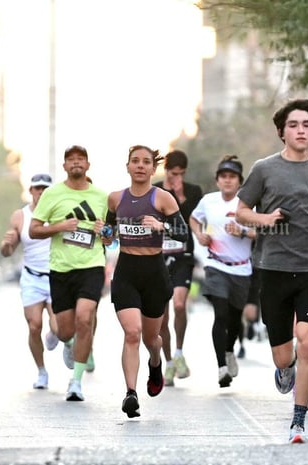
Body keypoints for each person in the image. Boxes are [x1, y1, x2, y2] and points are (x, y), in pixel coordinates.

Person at [236, 98, 308, 444]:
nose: (301, 130)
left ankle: (298, 421)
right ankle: (283, 370)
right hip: (273, 270)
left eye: (306, 125)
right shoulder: (264, 169)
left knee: (306, 344)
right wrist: (265, 219)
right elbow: (241, 212)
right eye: (293, 125)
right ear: (282, 133)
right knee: (284, 355)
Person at [105, 145, 188, 418]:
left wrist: (161, 226)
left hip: (154, 272)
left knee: (152, 338)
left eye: (146, 162)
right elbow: (109, 233)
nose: (140, 166)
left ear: (154, 169)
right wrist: (105, 234)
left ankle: (155, 362)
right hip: (127, 270)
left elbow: (183, 235)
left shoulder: (163, 198)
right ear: (127, 166)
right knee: (132, 333)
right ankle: (131, 393)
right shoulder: (115, 199)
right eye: (135, 161)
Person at [29, 145, 108, 402]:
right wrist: (60, 226)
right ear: (64, 166)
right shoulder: (52, 194)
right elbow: (34, 230)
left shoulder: (101, 196)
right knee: (65, 331)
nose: (76, 163)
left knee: (85, 319)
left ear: (87, 165)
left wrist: (105, 232)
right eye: (71, 160)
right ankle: (64, 339)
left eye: (80, 159)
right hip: (61, 269)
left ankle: (76, 381)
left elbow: (110, 236)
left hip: (91, 266)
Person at [190, 155, 255, 388]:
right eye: (223, 177)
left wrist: (243, 232)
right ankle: (221, 368)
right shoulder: (208, 201)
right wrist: (199, 234)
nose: (227, 181)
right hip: (216, 265)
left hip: (242, 268)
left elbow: (265, 233)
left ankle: (229, 351)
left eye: (232, 177)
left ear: (240, 181)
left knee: (235, 319)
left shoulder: (248, 204)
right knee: (221, 313)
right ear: (217, 181)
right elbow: (194, 219)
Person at [0, 172, 59, 390]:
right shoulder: (20, 216)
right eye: (37, 188)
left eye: (46, 188)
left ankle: (55, 335)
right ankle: (42, 371)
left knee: (59, 328)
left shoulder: (60, 213)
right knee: (34, 326)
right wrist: (6, 245)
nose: (41, 192)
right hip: (32, 277)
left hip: (55, 276)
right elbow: (8, 249)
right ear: (31, 191)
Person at [155, 149, 203, 386]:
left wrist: (180, 194)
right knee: (161, 318)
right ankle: (169, 363)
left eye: (182, 173)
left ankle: (179, 351)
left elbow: (187, 220)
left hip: (183, 254)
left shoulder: (193, 191)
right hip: (159, 256)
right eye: (174, 173)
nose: (178, 177)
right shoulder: (154, 190)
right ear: (166, 170)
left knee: (180, 303)